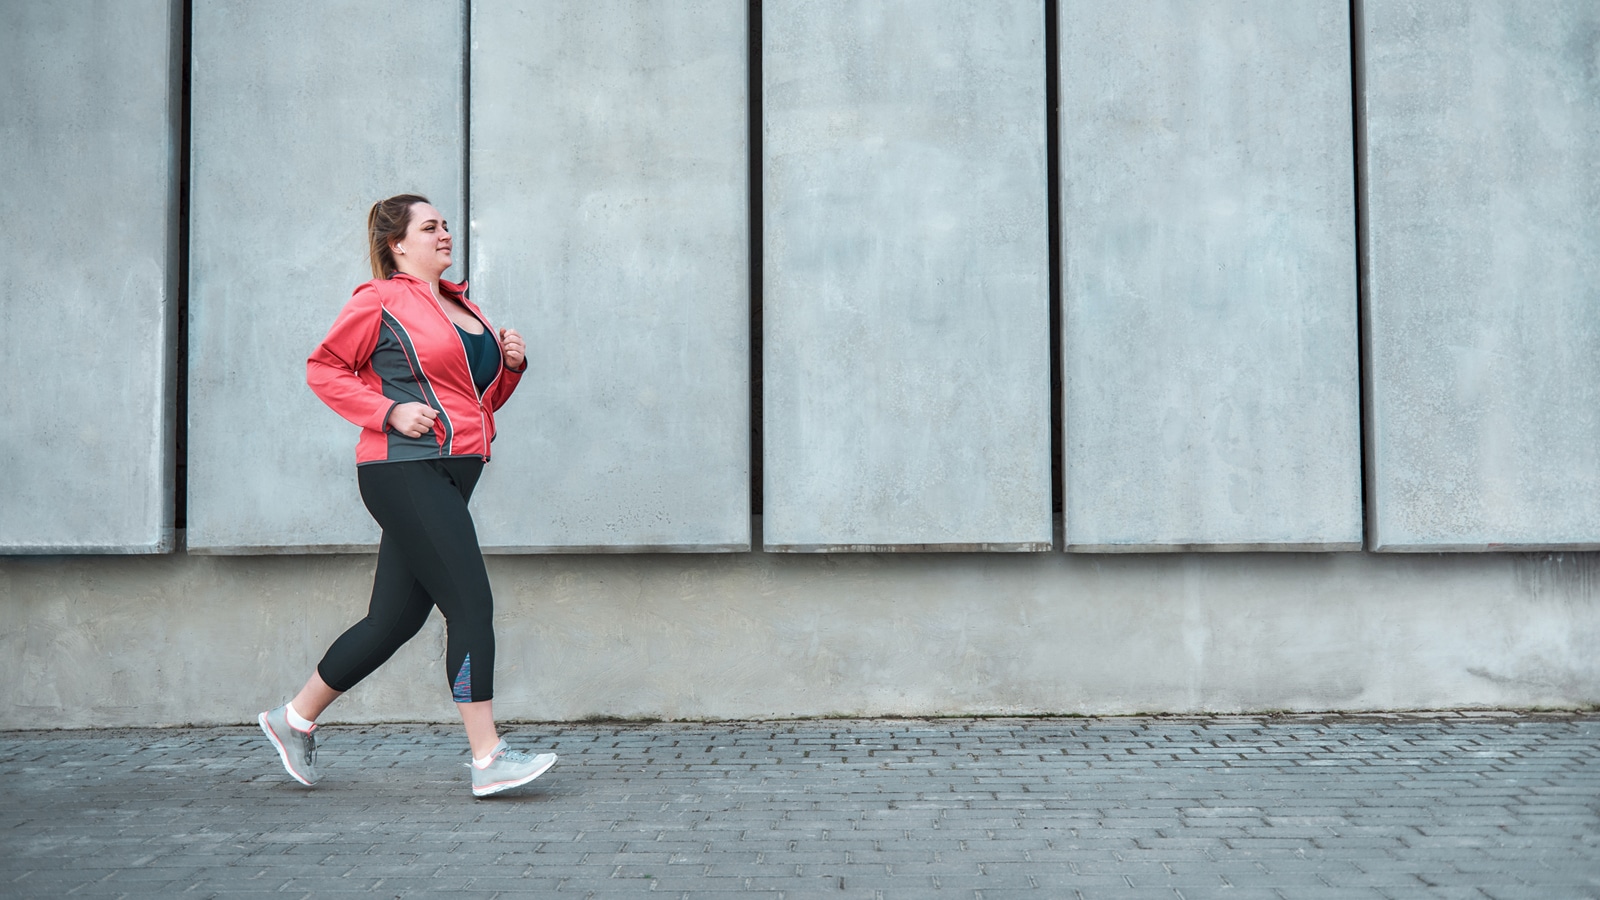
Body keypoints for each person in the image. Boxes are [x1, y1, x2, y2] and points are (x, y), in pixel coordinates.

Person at [258, 193, 555, 798]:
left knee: (392, 620)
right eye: (430, 227)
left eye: (446, 224)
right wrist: (388, 410)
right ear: (398, 244)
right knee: (470, 605)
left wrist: (512, 370)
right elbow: (325, 369)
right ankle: (487, 757)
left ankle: (293, 720)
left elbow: (474, 407)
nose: (444, 233)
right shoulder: (380, 300)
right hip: (404, 472)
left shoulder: (459, 305)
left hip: (452, 470)